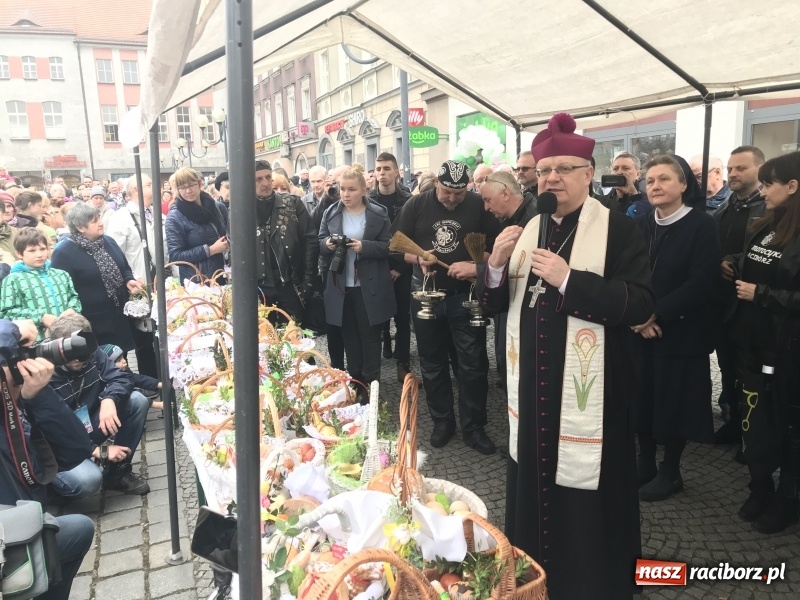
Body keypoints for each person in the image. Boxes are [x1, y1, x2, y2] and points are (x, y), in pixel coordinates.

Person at [477, 113, 654, 599]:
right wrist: (494, 265)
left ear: (588, 173)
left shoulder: (618, 229)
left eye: (564, 169)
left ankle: (591, 580)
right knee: (532, 479)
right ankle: (533, 571)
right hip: (531, 393)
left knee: (589, 490)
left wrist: (569, 280)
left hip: (591, 393)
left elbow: (640, 303)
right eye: (544, 170)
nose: (551, 178)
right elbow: (493, 304)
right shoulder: (528, 227)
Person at [394, 160, 501, 455]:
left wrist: (476, 265)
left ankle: (474, 427)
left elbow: (497, 248)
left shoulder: (478, 205)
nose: (452, 198)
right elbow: (398, 247)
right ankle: (442, 421)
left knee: (473, 364)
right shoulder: (416, 204)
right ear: (437, 184)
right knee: (432, 362)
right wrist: (418, 257)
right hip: (425, 293)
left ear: (467, 187)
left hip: (464, 295)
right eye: (446, 192)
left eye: (459, 193)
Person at [632, 155, 720, 502]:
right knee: (642, 397)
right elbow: (629, 273)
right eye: (650, 180)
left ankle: (670, 471)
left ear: (684, 184)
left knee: (675, 402)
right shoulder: (642, 224)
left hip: (682, 331)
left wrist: (656, 314)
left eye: (664, 179)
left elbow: (701, 282)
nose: (655, 186)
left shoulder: (702, 225)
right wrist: (640, 317)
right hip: (642, 329)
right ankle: (644, 462)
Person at [722, 151, 800, 533]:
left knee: (789, 425)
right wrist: (734, 262)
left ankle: (788, 497)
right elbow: (756, 259)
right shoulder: (768, 221)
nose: (763, 191)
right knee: (756, 419)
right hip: (752, 341)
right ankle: (760, 485)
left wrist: (762, 294)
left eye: (769, 184)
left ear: (793, 186)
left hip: (788, 349)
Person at [0, 319, 95, 600]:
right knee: (74, 530)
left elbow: (74, 451)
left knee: (77, 528)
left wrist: (36, 396)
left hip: (15, 527)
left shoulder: (11, 415)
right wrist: (13, 330)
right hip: (6, 541)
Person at [47, 313, 150, 496]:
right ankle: (52, 490)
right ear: (57, 347)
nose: (77, 359)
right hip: (59, 449)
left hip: (86, 426)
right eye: (69, 354)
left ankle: (117, 473)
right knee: (89, 481)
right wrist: (97, 450)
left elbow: (122, 378)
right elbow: (52, 430)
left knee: (137, 401)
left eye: (81, 352)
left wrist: (109, 399)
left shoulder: (91, 351)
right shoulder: (43, 372)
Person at [319, 169, 395, 400]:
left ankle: (372, 386)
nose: (345, 194)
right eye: (342, 189)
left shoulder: (378, 213)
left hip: (369, 286)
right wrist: (328, 244)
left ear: (363, 190)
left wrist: (365, 247)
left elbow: (389, 245)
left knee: (370, 337)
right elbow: (319, 241)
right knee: (349, 337)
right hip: (341, 286)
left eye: (351, 189)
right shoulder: (331, 212)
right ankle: (356, 384)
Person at [712, 146, 767, 444]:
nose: (732, 174)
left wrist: (733, 260)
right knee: (727, 364)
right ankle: (734, 421)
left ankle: (751, 434)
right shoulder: (725, 208)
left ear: (760, 169)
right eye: (730, 168)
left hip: (753, 304)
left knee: (750, 369)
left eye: (741, 168)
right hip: (723, 302)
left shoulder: (770, 209)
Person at [50, 202, 143, 352]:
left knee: (120, 357)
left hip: (119, 316)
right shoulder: (64, 252)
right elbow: (62, 290)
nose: (101, 223)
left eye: (99, 218)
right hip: (94, 323)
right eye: (94, 221)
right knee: (103, 360)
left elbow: (124, 267)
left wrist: (128, 280)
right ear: (80, 228)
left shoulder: (108, 241)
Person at [479, 170, 538, 391]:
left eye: (488, 200)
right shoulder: (509, 219)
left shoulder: (535, 218)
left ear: (505, 193)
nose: (486, 207)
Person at [106, 174, 164, 378]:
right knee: (144, 338)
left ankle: (165, 375)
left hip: (160, 282)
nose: (154, 187)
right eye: (149, 184)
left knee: (162, 333)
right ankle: (151, 380)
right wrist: (128, 279)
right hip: (139, 286)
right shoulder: (121, 218)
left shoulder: (156, 213)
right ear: (135, 190)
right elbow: (114, 255)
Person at [254, 161, 318, 324]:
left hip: (290, 282)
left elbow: (310, 240)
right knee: (264, 333)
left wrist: (308, 280)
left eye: (268, 177)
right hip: (258, 286)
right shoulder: (241, 210)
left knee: (294, 331)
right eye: (258, 179)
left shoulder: (292, 203)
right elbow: (234, 249)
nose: (265, 183)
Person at [368, 153, 413, 383]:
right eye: (378, 169)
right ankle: (378, 354)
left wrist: (400, 268)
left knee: (403, 317)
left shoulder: (408, 200)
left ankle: (402, 363)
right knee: (377, 317)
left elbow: (412, 236)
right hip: (377, 267)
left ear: (396, 172)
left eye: (386, 168)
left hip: (403, 267)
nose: (382, 173)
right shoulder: (368, 200)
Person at [0, 228, 81, 341]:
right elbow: (7, 313)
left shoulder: (61, 274)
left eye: (42, 249)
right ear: (19, 253)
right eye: (32, 251)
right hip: (37, 342)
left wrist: (72, 310)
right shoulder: (12, 280)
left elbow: (74, 298)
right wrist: (41, 317)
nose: (39, 254)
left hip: (68, 337)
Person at [165, 167, 229, 284]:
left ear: (200, 184)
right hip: (197, 283)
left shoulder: (217, 207)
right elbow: (176, 256)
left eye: (191, 185)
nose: (188, 191)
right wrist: (210, 250)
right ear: (177, 190)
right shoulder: (175, 217)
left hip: (223, 276)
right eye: (183, 187)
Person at [102, 343, 163, 410]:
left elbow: (138, 379)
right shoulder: (108, 383)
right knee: (136, 395)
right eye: (119, 360)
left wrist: (158, 384)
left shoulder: (124, 372)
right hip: (113, 408)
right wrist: (158, 405)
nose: (124, 361)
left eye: (123, 357)